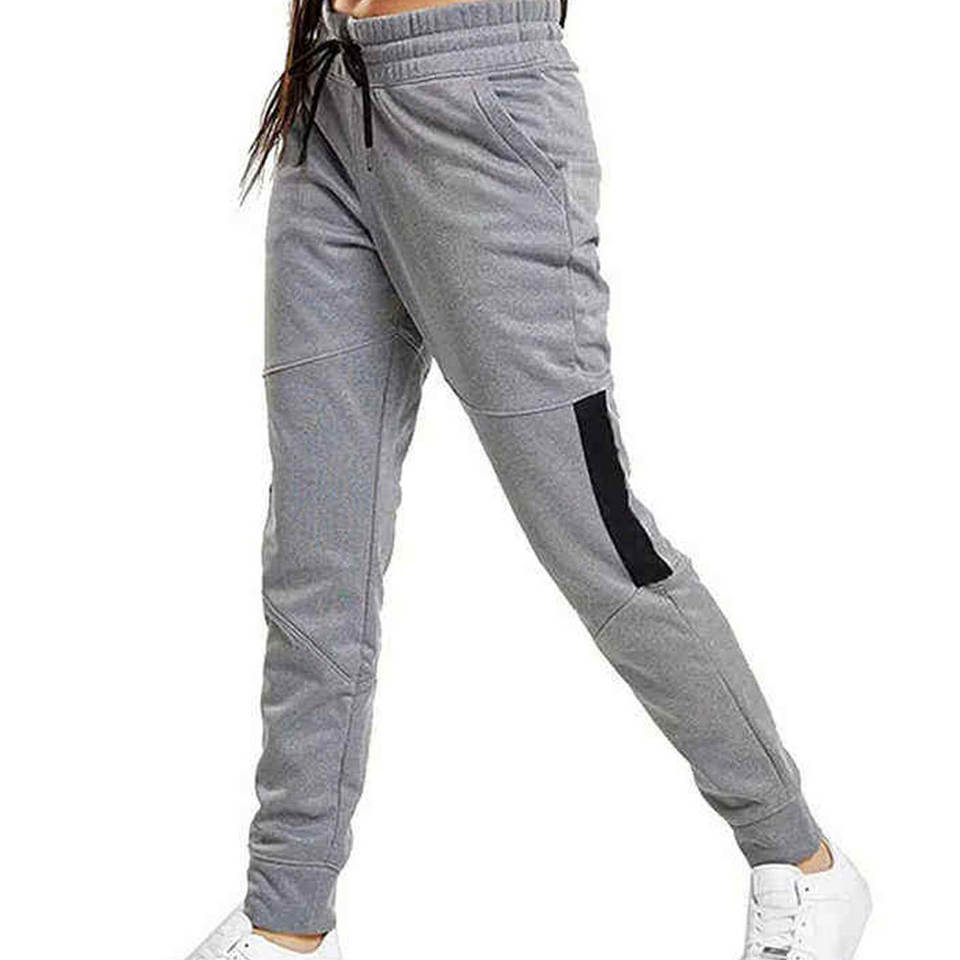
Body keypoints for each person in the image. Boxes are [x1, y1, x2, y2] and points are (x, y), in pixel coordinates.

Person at [185, 1, 871, 957]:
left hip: (480, 109)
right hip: (332, 97)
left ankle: (802, 863)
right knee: (314, 559)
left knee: (596, 542)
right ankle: (286, 920)